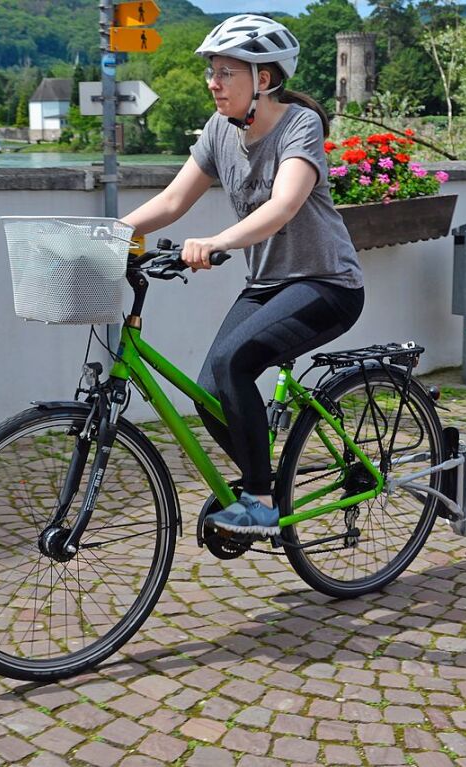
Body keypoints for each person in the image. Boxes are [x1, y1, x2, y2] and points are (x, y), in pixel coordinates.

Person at [120, 15, 364, 536]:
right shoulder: (217, 132)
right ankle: (269, 480)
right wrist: (112, 232)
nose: (213, 82)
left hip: (327, 284)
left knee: (233, 364)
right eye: (212, 71)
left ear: (265, 79)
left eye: (226, 72)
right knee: (210, 389)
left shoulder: (299, 124)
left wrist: (216, 241)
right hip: (267, 285)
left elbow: (283, 205)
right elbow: (171, 200)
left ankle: (260, 500)